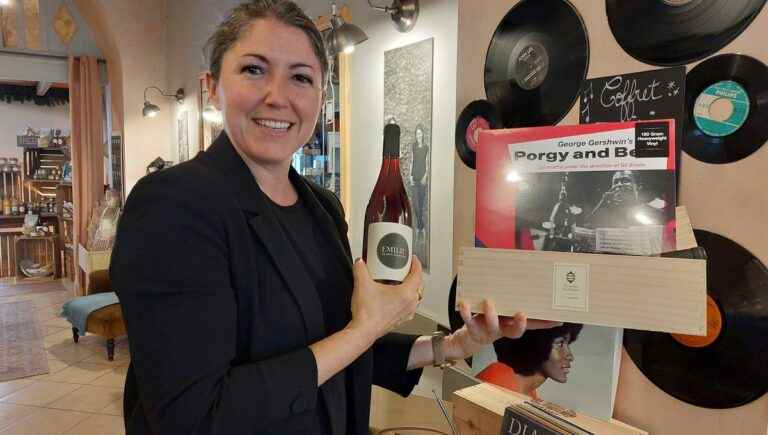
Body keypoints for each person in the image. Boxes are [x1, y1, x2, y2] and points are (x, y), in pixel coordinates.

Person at [110, 2, 558, 434]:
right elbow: (194, 416)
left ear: (320, 98)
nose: (277, 96)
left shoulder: (322, 207)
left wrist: (451, 345)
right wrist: (369, 326)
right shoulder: (172, 206)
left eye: (300, 78)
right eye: (253, 69)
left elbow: (343, 346)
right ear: (212, 87)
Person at [476, 323, 583, 398]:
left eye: (567, 344)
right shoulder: (497, 387)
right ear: (535, 344)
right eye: (560, 343)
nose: (570, 356)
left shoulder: (527, 392)